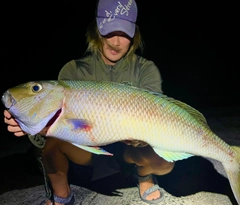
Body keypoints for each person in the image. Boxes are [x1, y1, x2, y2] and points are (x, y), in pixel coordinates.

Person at [3, 0, 175, 204]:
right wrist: (32, 126)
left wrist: (141, 137)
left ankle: (144, 176)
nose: (116, 41)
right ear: (96, 31)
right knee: (51, 145)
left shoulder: (145, 69)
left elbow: (156, 111)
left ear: (134, 35)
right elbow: (59, 125)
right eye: (109, 32)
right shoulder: (74, 70)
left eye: (124, 34)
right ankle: (62, 196)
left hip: (130, 150)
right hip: (87, 151)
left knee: (164, 162)